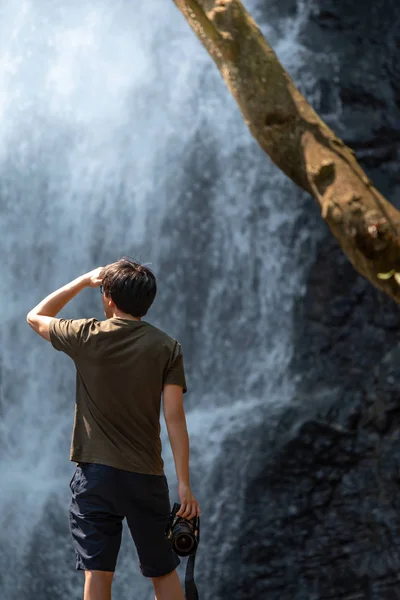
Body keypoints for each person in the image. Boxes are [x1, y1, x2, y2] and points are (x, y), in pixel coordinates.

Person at [26, 257, 200, 600]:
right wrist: (184, 484)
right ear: (148, 302)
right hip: (145, 477)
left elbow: (35, 316)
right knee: (163, 571)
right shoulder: (167, 348)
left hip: (96, 477)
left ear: (107, 296)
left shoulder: (86, 335)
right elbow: (175, 419)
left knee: (98, 572)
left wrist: (82, 281)